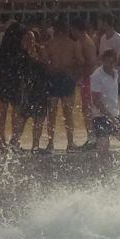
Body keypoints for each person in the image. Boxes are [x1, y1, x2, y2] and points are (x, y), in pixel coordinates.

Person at [44, 19, 83, 152]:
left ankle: (51, 143)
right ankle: (70, 143)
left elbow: (44, 62)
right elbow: (80, 61)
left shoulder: (50, 44)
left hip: (55, 77)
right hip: (66, 77)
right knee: (68, 113)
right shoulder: (72, 44)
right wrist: (75, 75)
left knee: (52, 113)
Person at [90, 49, 120, 153]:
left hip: (115, 114)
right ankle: (100, 168)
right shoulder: (96, 76)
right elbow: (96, 100)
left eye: (110, 62)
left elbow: (112, 97)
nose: (107, 65)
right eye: (105, 62)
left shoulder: (116, 73)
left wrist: (117, 116)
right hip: (100, 117)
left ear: (114, 62)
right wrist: (111, 117)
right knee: (103, 149)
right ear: (103, 61)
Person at [0, 21, 26, 152]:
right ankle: (14, 140)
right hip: (15, 79)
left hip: (2, 79)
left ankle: (2, 139)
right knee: (16, 109)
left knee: (3, 107)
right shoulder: (19, 49)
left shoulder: (3, 48)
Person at [98, 14, 120, 124]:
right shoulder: (103, 38)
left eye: (102, 22)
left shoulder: (119, 39)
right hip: (109, 79)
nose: (100, 25)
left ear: (107, 24)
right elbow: (101, 57)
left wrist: (108, 64)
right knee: (108, 106)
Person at [71, 18, 99, 146]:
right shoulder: (83, 41)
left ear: (77, 30)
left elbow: (91, 63)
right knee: (86, 108)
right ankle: (91, 135)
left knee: (88, 109)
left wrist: (80, 69)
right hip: (86, 79)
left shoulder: (86, 43)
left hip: (89, 79)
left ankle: (92, 137)